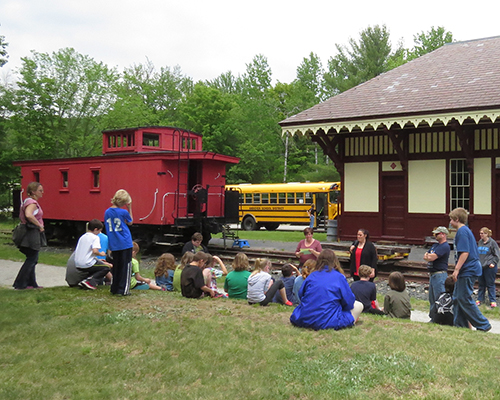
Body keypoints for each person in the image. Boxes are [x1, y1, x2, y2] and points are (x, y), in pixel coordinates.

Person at [290, 249, 363, 330]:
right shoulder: (339, 277)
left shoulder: (312, 275)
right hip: (329, 320)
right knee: (359, 305)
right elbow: (349, 301)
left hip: (305, 318)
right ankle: (352, 320)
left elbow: (301, 295)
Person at [449, 208, 491, 331]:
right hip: (469, 268)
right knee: (457, 297)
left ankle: (483, 324)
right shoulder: (466, 231)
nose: (450, 222)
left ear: (457, 219)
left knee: (463, 297)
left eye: (451, 219)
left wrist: (456, 270)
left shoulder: (462, 231)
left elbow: (465, 253)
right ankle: (460, 326)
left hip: (468, 269)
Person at [13, 182, 46, 290]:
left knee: (32, 258)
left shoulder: (27, 201)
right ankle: (21, 283)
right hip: (30, 233)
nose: (42, 193)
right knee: (32, 258)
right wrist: (39, 225)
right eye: (40, 190)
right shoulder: (32, 203)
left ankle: (31, 283)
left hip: (28, 231)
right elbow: (28, 215)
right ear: (33, 192)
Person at [104, 189, 133, 295]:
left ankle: (114, 288)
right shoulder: (123, 212)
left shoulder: (107, 212)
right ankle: (124, 289)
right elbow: (130, 222)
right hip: (125, 242)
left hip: (114, 243)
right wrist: (129, 208)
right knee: (126, 266)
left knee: (116, 266)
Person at [74, 219, 112, 290]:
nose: (99, 233)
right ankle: (90, 282)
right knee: (106, 267)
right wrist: (101, 254)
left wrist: (99, 260)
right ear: (95, 229)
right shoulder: (95, 237)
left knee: (99, 265)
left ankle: (87, 281)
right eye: (99, 231)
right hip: (87, 263)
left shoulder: (82, 237)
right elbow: (95, 251)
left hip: (78, 263)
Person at [423, 226, 451, 316]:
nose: (435, 235)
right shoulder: (435, 245)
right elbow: (425, 256)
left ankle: (440, 317)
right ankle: (433, 316)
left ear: (443, 234)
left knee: (439, 297)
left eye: (437, 234)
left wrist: (429, 257)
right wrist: (429, 257)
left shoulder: (445, 246)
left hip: (440, 275)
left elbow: (431, 257)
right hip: (432, 275)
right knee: (432, 298)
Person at [477, 227, 500, 308]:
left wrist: (493, 263)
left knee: (490, 284)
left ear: (487, 234)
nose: (481, 235)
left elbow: (497, 254)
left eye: (483, 233)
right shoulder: (480, 242)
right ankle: (480, 299)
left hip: (490, 267)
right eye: (480, 233)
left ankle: (492, 300)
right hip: (481, 266)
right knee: (481, 284)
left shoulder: (492, 243)